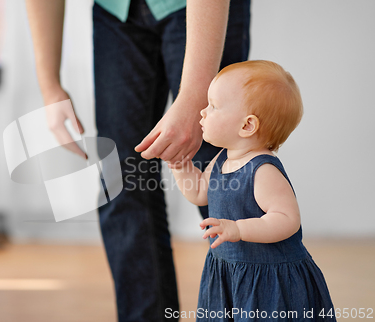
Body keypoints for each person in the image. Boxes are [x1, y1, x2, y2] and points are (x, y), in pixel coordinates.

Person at [26, 0, 250, 320]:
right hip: (115, 13)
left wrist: (192, 99)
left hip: (199, 9)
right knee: (122, 181)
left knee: (225, 178)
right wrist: (49, 86)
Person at [170, 60, 336, 321]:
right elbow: (200, 192)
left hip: (268, 280)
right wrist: (180, 166)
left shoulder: (263, 171)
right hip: (228, 271)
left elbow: (287, 219)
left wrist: (239, 229)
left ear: (247, 126)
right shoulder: (223, 158)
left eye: (213, 106)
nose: (202, 112)